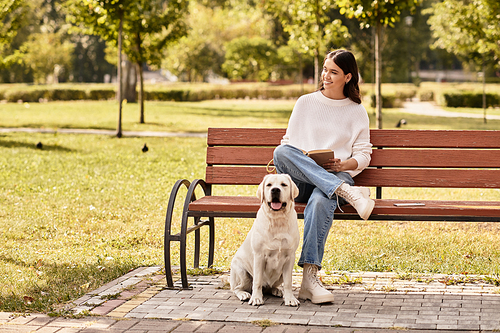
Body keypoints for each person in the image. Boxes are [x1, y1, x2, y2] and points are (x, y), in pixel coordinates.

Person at [273, 49, 374, 304]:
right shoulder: (305, 103)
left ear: (348, 77)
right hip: (304, 180)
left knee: (320, 200)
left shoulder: (356, 111)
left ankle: (309, 279)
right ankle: (344, 192)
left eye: (333, 72)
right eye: (325, 69)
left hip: (336, 175)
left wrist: (343, 164)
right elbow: (289, 145)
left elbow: (363, 155)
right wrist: (308, 159)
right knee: (281, 151)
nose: (326, 76)